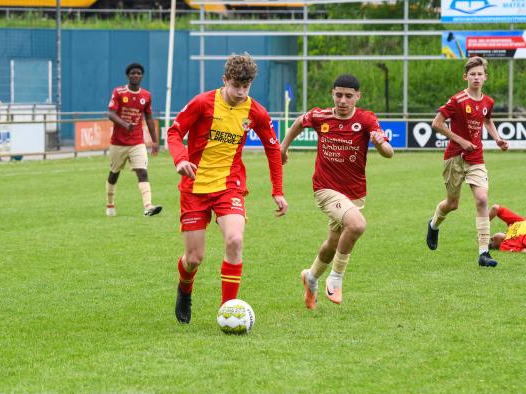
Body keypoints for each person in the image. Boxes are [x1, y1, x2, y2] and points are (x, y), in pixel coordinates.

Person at [168, 53, 288, 324]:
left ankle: (228, 311)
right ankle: (185, 288)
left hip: (229, 186)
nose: (240, 92)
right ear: (225, 80)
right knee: (194, 258)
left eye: (246, 87)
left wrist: (277, 190)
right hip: (195, 187)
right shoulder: (203, 103)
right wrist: (180, 159)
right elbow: (174, 132)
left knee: (234, 240)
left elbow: (273, 149)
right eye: (236, 86)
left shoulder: (255, 111)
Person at [280, 74, 393, 308]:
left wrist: (380, 143)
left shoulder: (366, 119)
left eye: (348, 96)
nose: (343, 100)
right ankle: (336, 278)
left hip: (354, 193)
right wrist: (283, 147)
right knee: (358, 225)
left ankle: (310, 278)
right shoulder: (321, 116)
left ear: (357, 97)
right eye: (338, 95)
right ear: (332, 93)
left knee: (333, 242)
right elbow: (300, 122)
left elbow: (388, 152)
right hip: (325, 189)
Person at [426, 56, 509, 267]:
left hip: (476, 158)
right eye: (472, 74)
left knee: (482, 199)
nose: (476, 77)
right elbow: (437, 123)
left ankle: (483, 253)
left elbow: (487, 120)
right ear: (466, 77)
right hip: (454, 158)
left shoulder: (488, 102)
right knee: (452, 204)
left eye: (480, 74)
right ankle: (434, 224)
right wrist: (460, 140)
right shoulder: (457, 101)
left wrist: (497, 138)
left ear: (485, 77)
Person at [105, 63, 161, 217]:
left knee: (142, 172)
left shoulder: (146, 96)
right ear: (128, 75)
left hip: (137, 142)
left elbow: (149, 118)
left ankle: (148, 206)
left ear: (142, 76)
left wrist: (155, 141)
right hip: (118, 142)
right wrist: (124, 124)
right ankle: (110, 204)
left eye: (138, 73)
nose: (136, 76)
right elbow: (110, 113)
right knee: (114, 173)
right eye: (133, 73)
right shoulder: (118, 92)